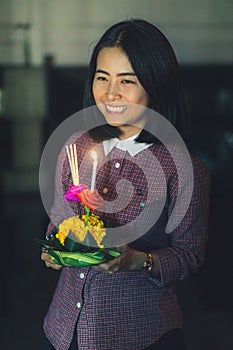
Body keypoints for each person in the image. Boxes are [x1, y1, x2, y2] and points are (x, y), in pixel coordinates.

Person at [40, 19, 210, 350]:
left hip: (141, 336)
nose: (110, 93)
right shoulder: (74, 146)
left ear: (155, 83)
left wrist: (136, 260)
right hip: (63, 331)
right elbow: (58, 222)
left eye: (127, 81)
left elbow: (189, 256)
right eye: (102, 77)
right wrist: (54, 248)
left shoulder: (184, 169)